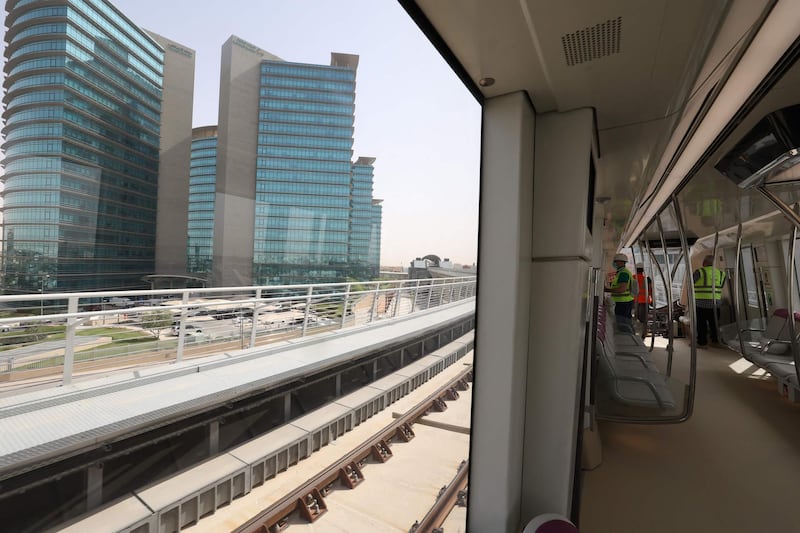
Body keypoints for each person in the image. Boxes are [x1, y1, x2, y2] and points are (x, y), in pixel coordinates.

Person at [693, 254, 726, 347]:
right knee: (714, 324)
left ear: (704, 263)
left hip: (701, 303)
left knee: (701, 324)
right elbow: (721, 286)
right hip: (716, 303)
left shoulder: (699, 272)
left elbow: (691, 283)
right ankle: (715, 341)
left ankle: (701, 342)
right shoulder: (721, 273)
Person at [604, 253, 634, 328]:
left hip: (623, 302)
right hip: (623, 302)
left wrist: (607, 290)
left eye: (616, 261)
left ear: (621, 262)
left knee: (623, 324)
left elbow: (622, 289)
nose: (614, 263)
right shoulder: (621, 272)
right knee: (623, 323)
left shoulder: (623, 273)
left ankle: (626, 337)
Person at [634, 263, 653, 339]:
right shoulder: (647, 279)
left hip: (634, 301)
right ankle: (643, 335)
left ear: (636, 269)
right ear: (643, 270)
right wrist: (652, 301)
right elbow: (651, 291)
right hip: (644, 302)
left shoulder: (633, 277)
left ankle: (635, 334)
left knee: (635, 319)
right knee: (644, 320)